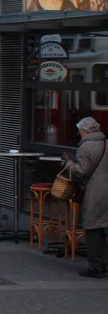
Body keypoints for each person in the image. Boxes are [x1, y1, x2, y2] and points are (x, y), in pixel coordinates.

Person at [67, 117, 108, 278]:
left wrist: (68, 164)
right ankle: (104, 262)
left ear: (84, 131)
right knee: (103, 226)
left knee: (92, 227)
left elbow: (81, 171)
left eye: (79, 130)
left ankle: (95, 266)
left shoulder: (85, 147)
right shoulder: (105, 143)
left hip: (94, 191)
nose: (79, 133)